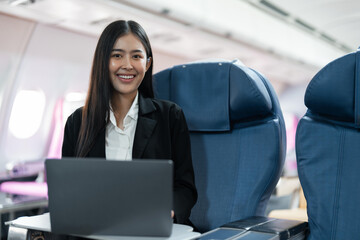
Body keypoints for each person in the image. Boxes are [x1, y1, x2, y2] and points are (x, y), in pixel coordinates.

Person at [61, 20, 197, 226]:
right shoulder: (78, 122)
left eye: (136, 56)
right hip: (96, 229)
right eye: (117, 55)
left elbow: (185, 187)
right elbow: (66, 190)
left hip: (153, 230)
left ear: (147, 63)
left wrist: (168, 211)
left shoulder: (170, 116)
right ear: (103, 61)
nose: (127, 65)